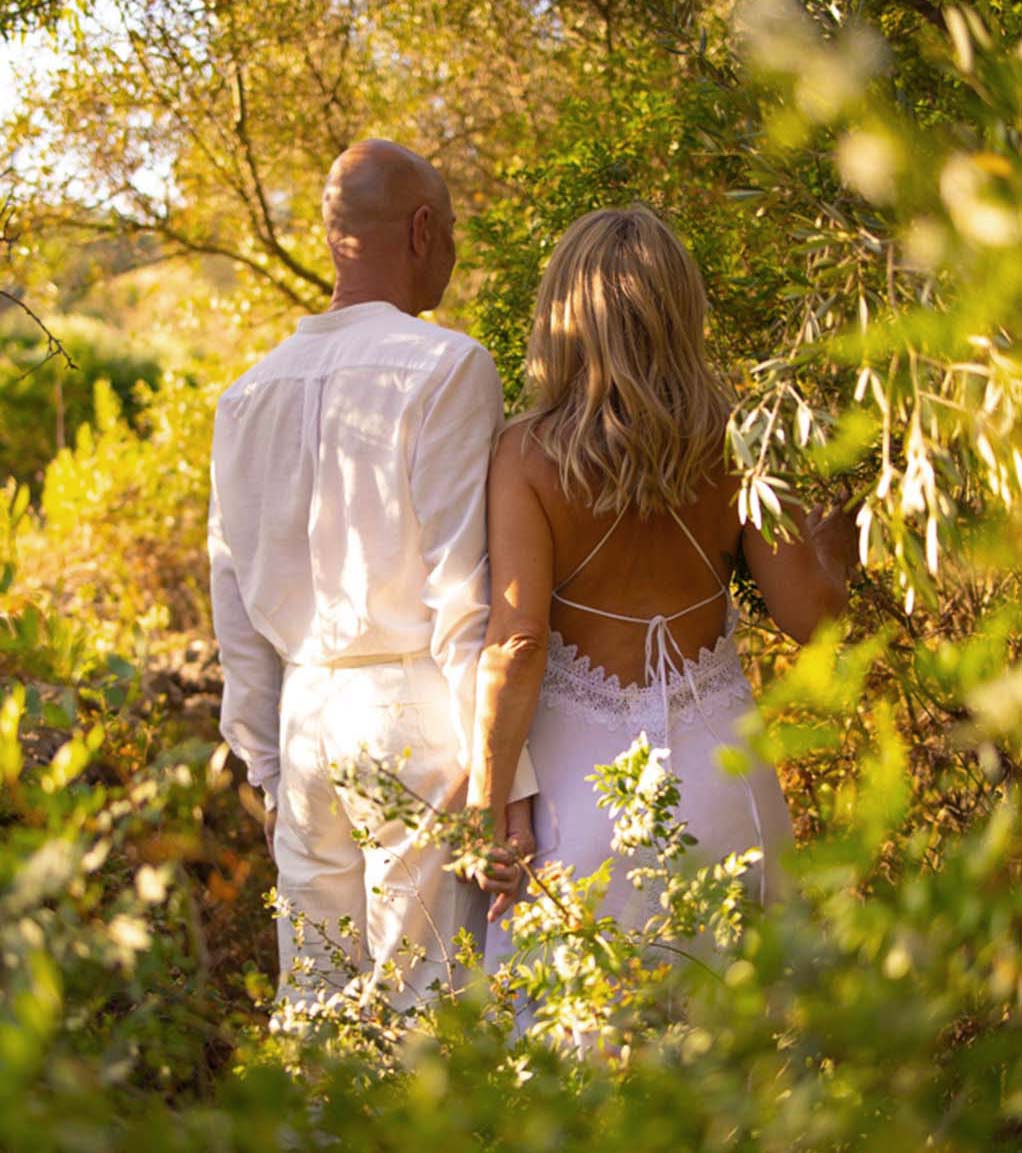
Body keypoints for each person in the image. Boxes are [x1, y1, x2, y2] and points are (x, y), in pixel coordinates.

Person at [467, 205, 857, 957]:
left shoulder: (524, 456)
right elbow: (813, 615)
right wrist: (839, 523)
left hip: (577, 805)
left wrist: (488, 805)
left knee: (575, 1051)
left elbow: (516, 643)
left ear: (561, 315)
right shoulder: (738, 439)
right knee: (739, 1054)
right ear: (684, 313)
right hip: (725, 789)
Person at [208, 139, 536, 1006]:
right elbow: (463, 593)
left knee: (315, 1004)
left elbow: (234, 607)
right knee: (426, 1001)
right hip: (412, 712)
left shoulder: (244, 396)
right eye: (453, 228)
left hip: (306, 714)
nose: (456, 248)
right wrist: (503, 778)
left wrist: (269, 768)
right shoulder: (446, 366)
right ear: (423, 229)